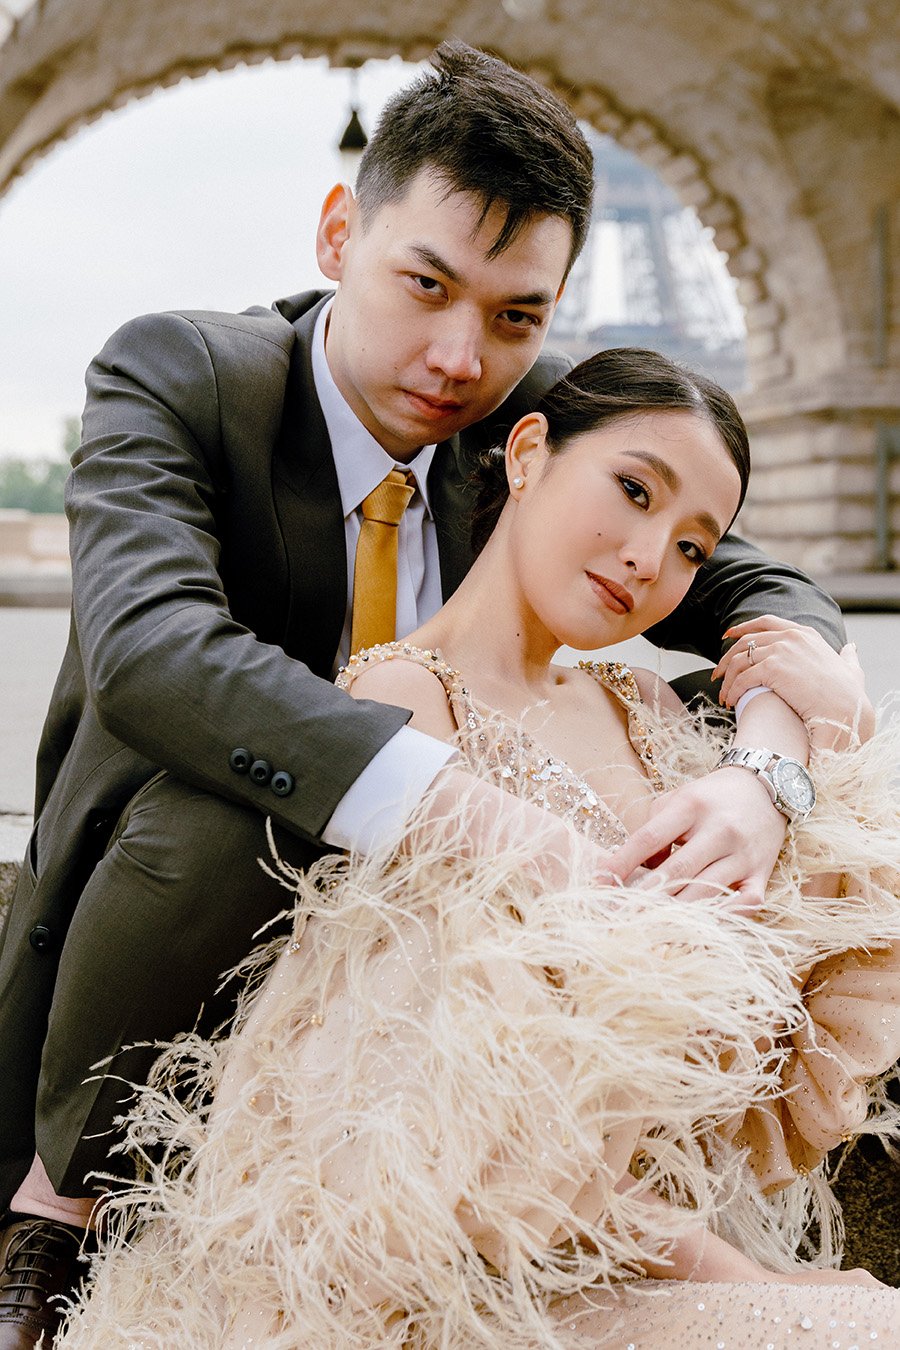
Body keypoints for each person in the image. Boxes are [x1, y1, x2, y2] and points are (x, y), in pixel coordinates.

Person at [0, 41, 848, 1349]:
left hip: (429, 1040)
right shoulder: (181, 373)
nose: (461, 355)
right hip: (170, 973)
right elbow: (153, 653)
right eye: (426, 284)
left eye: (516, 316)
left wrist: (765, 777)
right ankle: (55, 1212)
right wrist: (483, 814)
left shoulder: (524, 442)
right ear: (343, 229)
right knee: (244, 771)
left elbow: (759, 579)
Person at [55, 348, 900, 1347]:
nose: (648, 558)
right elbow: (443, 1117)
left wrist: (795, 736)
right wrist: (751, 1280)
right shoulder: (403, 713)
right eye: (632, 491)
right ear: (530, 451)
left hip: (639, 1255)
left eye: (689, 547)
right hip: (465, 1288)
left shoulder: (645, 710)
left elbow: (815, 944)